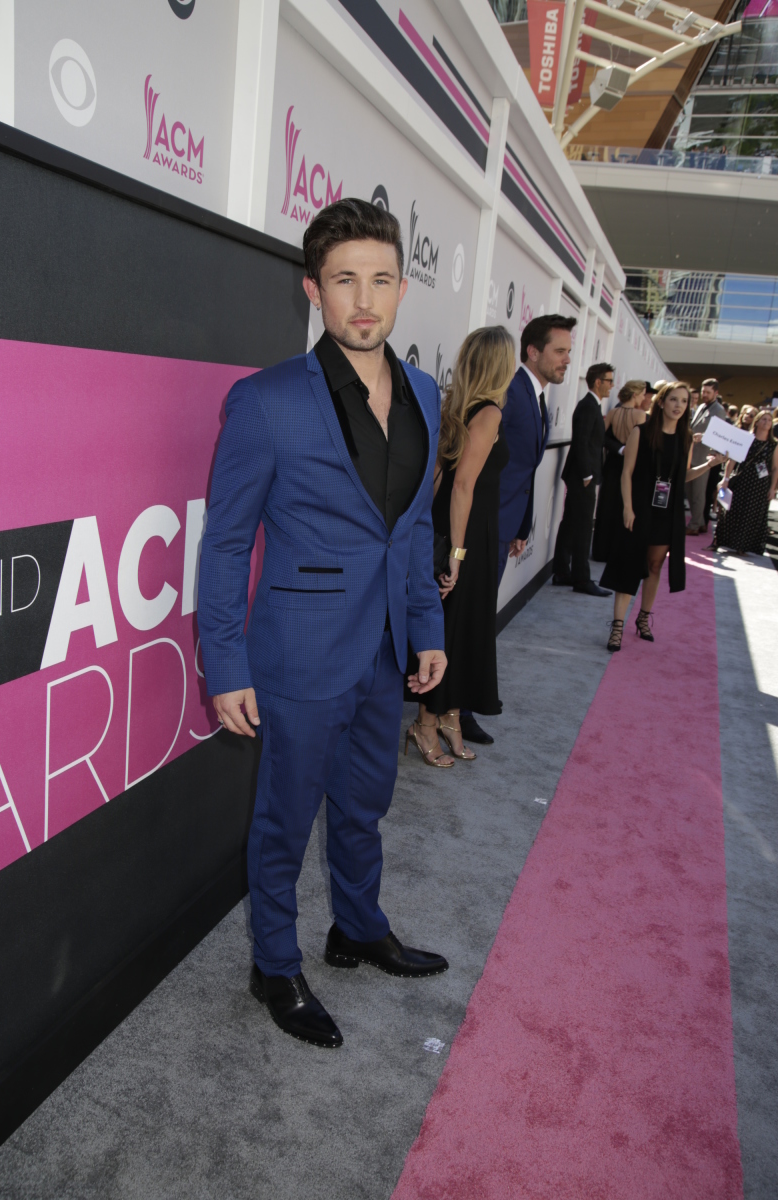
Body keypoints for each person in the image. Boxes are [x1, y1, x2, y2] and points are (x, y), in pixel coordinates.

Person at [197, 199, 448, 1050]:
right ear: (315, 290)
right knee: (285, 814)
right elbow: (228, 544)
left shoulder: (426, 393)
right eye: (345, 281)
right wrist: (223, 664)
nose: (364, 299)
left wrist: (428, 627)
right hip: (298, 655)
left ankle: (358, 926)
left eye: (380, 279)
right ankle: (275, 961)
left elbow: (409, 529)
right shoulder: (265, 402)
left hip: (384, 651)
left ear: (403, 288)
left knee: (365, 804)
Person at [461, 311, 575, 746]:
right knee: (471, 622)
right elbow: (475, 469)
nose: (567, 359)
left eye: (568, 350)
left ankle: (457, 704)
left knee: (477, 619)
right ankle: (459, 708)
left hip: (504, 526)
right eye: (559, 350)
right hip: (480, 528)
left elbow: (521, 470)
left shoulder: (535, 395)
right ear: (534, 351)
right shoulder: (509, 392)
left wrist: (522, 525)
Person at [407, 327, 514, 766]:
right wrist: (457, 552)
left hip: (462, 534)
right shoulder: (487, 413)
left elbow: (438, 478)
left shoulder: (456, 405)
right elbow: (462, 486)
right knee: (451, 632)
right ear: (500, 365)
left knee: (461, 629)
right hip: (466, 537)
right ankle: (425, 724)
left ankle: (449, 716)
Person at [601, 382, 724, 650]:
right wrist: (627, 507)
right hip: (639, 509)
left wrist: (708, 465)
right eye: (673, 400)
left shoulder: (685, 438)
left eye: (683, 401)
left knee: (654, 566)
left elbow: (684, 476)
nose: (679, 405)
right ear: (661, 402)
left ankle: (643, 618)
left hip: (667, 513)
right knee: (630, 564)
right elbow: (626, 472)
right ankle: (617, 626)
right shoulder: (641, 432)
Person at [552, 361, 615, 595]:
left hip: (581, 476)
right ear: (598, 382)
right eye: (609, 380)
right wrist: (588, 474)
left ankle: (561, 572)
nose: (612, 385)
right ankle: (581, 579)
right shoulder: (589, 406)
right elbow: (581, 441)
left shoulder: (592, 405)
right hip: (582, 477)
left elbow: (594, 441)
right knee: (581, 528)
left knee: (570, 524)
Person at [592, 379, 648, 563]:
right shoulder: (641, 415)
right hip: (631, 467)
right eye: (642, 394)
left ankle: (600, 551)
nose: (643, 397)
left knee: (606, 506)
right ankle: (618, 552)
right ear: (634, 395)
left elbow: (602, 438)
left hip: (612, 464)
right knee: (624, 506)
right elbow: (642, 445)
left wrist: (618, 449)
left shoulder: (613, 412)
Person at [713, 409, 778, 555]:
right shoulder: (745, 439)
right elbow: (733, 460)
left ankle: (743, 546)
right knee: (730, 510)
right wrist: (726, 478)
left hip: (760, 484)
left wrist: (773, 488)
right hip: (742, 479)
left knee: (753, 514)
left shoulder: (773, 445)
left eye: (769, 420)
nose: (766, 422)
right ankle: (721, 541)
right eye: (763, 419)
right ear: (757, 422)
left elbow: (775, 468)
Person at [686, 378, 726, 534]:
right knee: (690, 492)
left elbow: (719, 434)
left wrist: (704, 436)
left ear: (716, 393)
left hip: (703, 457)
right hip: (692, 455)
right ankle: (700, 522)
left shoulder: (719, 410)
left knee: (698, 494)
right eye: (703, 391)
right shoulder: (701, 406)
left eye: (708, 392)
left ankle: (695, 525)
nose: (705, 395)